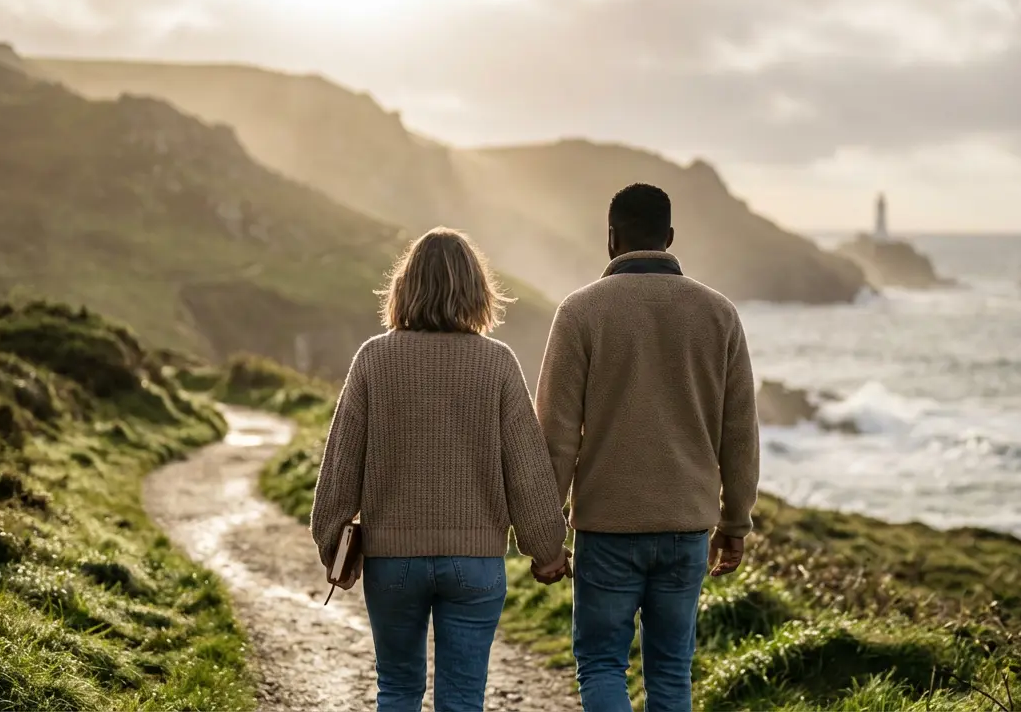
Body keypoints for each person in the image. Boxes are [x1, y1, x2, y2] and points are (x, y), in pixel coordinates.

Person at [310, 227, 571, 712]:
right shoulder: (498, 363)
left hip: (392, 562)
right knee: (464, 700)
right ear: (477, 290)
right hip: (475, 563)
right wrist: (547, 551)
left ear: (405, 287)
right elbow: (529, 472)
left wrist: (333, 544)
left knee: (397, 690)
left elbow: (339, 468)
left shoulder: (374, 358)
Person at [536, 183, 761, 711]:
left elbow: (555, 437)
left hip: (607, 528)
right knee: (671, 673)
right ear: (670, 238)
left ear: (611, 239)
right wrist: (735, 523)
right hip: (687, 526)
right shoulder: (719, 314)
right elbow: (740, 432)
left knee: (601, 664)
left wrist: (545, 535)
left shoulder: (580, 312)